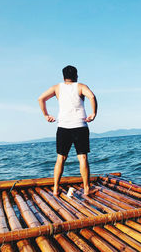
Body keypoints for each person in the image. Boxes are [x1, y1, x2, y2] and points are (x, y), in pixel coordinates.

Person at [38, 65, 97, 196]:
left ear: (63, 76)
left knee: (61, 158)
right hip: (80, 125)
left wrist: (46, 115)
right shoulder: (81, 86)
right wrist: (93, 113)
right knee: (82, 157)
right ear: (76, 76)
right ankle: (87, 189)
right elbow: (92, 97)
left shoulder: (57, 88)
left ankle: (55, 189)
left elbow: (40, 98)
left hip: (63, 127)